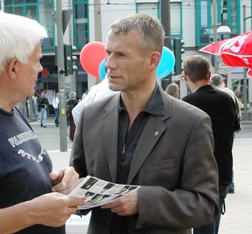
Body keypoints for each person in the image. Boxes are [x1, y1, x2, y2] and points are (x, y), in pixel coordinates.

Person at [70, 14, 219, 234]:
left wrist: (144, 201)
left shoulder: (191, 123)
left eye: (120, 55)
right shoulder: (91, 115)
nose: (108, 64)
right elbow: (80, 180)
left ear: (152, 60)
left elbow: (206, 204)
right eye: (108, 53)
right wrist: (66, 186)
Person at [0, 10, 84, 234]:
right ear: (13, 67)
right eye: (36, 61)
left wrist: (58, 182)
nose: (39, 69)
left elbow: (13, 184)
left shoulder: (10, 111)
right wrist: (32, 213)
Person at [182, 55, 239, 234]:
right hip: (222, 171)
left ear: (185, 76)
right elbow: (234, 129)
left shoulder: (186, 104)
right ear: (208, 74)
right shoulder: (226, 99)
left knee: (202, 226)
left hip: (199, 174)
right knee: (213, 221)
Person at [211, 73, 242, 194]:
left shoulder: (211, 93)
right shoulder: (229, 93)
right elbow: (237, 109)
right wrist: (237, 125)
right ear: (222, 81)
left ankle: (217, 181)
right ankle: (230, 184)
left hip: (215, 128)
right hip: (229, 128)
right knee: (227, 154)